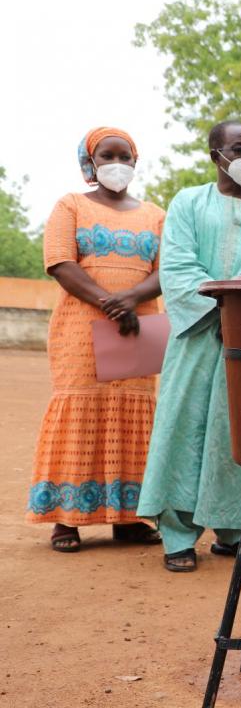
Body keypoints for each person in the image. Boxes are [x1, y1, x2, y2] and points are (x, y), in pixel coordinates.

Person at [137, 120, 241, 572]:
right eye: (240, 149)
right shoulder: (188, 202)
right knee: (186, 429)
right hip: (198, 337)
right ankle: (177, 534)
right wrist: (226, 308)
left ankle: (238, 531)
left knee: (240, 432)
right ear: (215, 155)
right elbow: (176, 269)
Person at [26, 127, 164, 552]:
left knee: (133, 411)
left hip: (137, 326)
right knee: (80, 405)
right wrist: (109, 303)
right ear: (91, 162)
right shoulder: (70, 206)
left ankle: (129, 517)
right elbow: (60, 262)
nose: (117, 163)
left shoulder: (156, 214)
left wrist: (132, 300)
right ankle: (66, 519)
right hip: (80, 329)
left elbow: (167, 268)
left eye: (126, 156)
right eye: (108, 155)